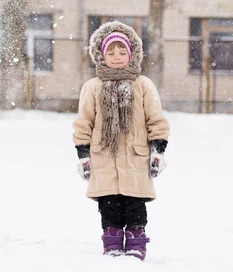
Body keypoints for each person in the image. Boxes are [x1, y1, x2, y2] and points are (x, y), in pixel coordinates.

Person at [72, 21, 170, 260]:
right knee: (108, 204)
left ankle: (137, 242)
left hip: (136, 158)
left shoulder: (143, 85)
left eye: (122, 52)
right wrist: (83, 155)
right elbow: (84, 123)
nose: (117, 57)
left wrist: (158, 150)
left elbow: (155, 120)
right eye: (111, 52)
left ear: (132, 53)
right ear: (101, 55)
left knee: (135, 204)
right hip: (103, 157)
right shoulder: (93, 87)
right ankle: (112, 241)